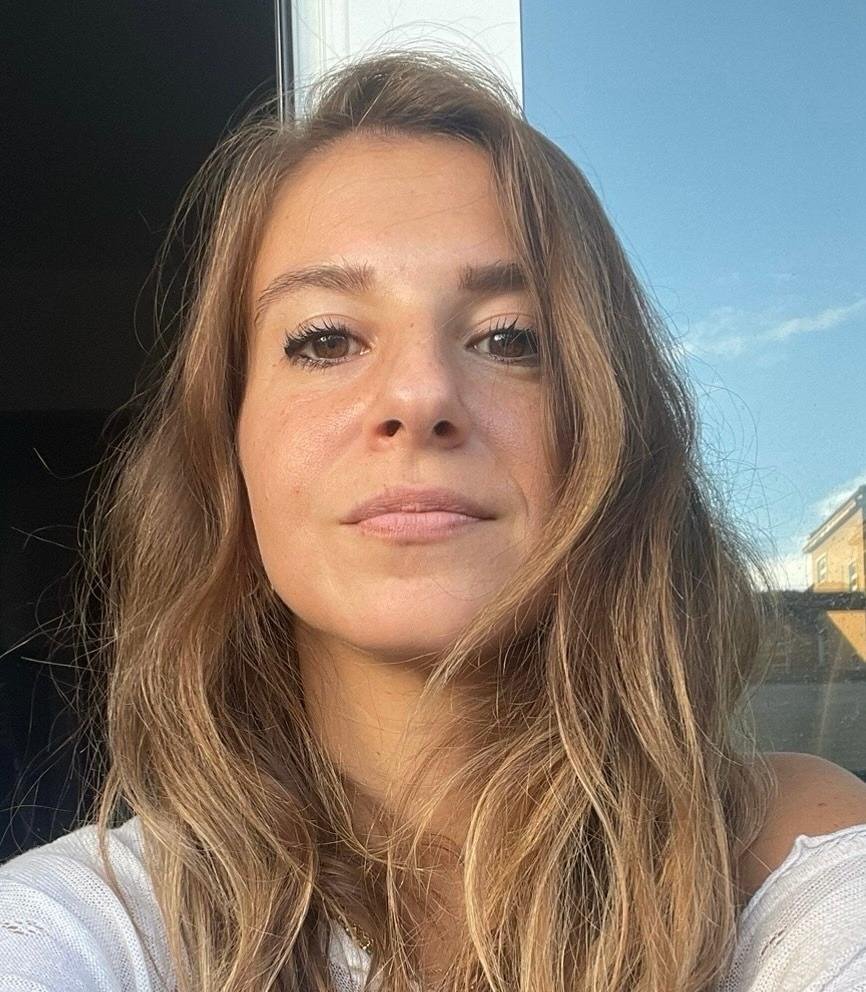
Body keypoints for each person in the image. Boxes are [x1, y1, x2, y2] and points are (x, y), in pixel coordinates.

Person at [2, 47, 866, 992]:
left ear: (612, 435)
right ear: (228, 448)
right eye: (325, 339)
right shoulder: (92, 926)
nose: (420, 396)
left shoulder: (786, 861)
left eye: (509, 338)